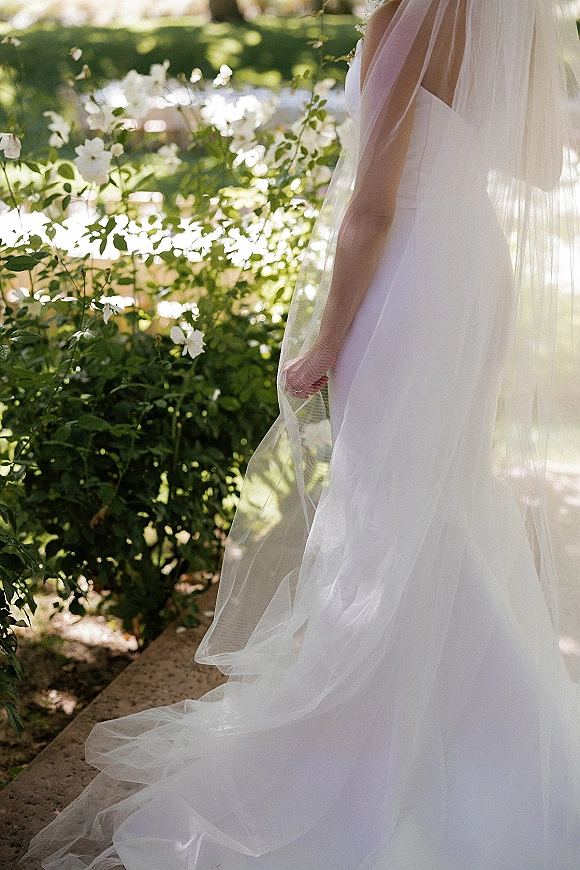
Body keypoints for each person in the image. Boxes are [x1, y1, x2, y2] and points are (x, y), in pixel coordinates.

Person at [26, 1, 580, 868]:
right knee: (448, 497)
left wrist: (326, 340)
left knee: (392, 503)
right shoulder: (503, 16)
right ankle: (489, 735)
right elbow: (544, 166)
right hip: (474, 270)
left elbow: (371, 209)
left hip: (411, 285)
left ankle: (384, 748)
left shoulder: (409, 17)